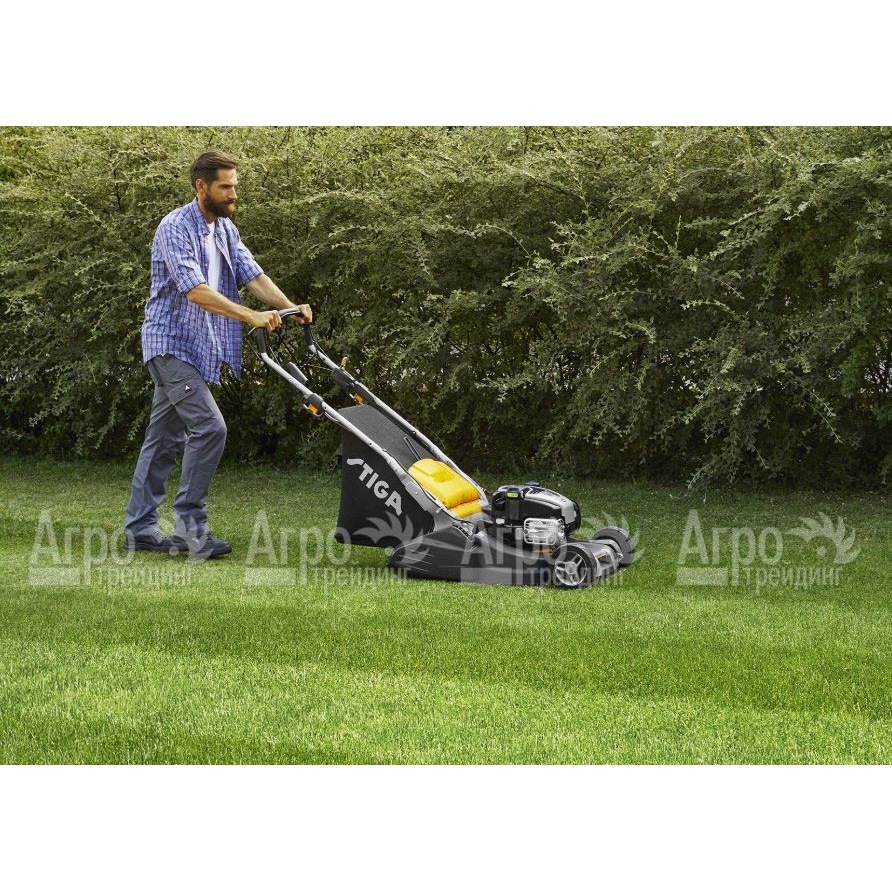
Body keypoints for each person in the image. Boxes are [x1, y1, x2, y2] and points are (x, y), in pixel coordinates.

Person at [124, 150, 312, 559]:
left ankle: (139, 529)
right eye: (225, 187)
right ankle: (192, 531)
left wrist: (288, 307)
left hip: (195, 347)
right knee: (210, 428)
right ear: (201, 186)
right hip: (169, 344)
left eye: (234, 186)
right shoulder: (175, 227)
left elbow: (252, 274)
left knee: (163, 439)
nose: (233, 194)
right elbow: (195, 290)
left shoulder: (224, 228)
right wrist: (251, 316)